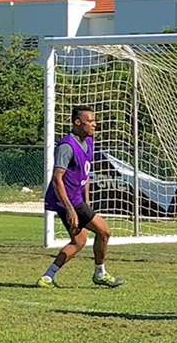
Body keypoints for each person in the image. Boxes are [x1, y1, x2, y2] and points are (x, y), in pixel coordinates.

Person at [37, 106, 124, 288]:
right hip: (67, 201)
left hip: (76, 200)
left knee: (79, 241)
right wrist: (71, 209)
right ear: (78, 122)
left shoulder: (89, 143)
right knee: (104, 231)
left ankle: (47, 276)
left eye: (94, 121)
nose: (94, 124)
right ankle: (100, 274)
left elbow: (85, 174)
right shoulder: (66, 146)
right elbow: (57, 179)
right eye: (90, 121)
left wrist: (87, 200)